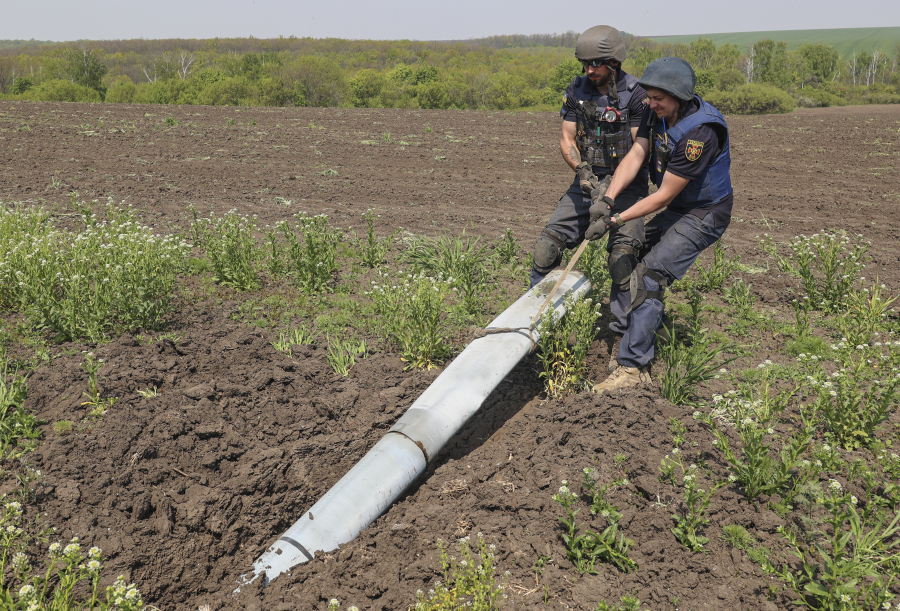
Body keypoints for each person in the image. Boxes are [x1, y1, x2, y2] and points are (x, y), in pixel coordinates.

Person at [588, 57, 733, 394]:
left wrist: (616, 220)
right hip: (681, 206)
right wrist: (608, 199)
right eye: (649, 97)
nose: (651, 105)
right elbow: (638, 154)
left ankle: (633, 368)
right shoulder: (658, 115)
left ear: (680, 97)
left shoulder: (700, 132)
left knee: (650, 276)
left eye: (658, 100)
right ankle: (625, 335)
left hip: (704, 213)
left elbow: (664, 195)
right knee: (627, 257)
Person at [530, 24, 650, 365]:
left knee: (622, 261)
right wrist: (581, 171)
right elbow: (567, 137)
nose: (589, 70)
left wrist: (609, 197)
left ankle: (623, 341)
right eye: (585, 63)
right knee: (544, 249)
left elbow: (637, 152)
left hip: (627, 187)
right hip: (586, 181)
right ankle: (545, 326)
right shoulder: (576, 89)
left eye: (596, 64)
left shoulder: (637, 95)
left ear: (614, 63)